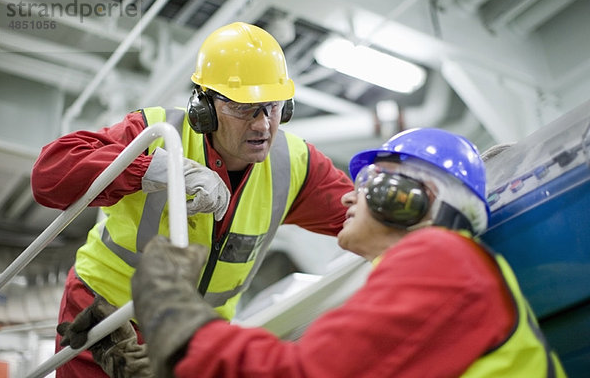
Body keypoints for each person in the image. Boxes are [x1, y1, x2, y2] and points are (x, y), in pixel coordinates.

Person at [31, 21, 353, 377]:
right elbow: (50, 174)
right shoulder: (155, 133)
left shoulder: (295, 165)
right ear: (205, 108)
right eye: (244, 108)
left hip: (190, 336)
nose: (263, 125)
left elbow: (366, 218)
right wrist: (150, 169)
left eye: (273, 107)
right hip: (106, 316)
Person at [131, 127, 567, 378]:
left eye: (369, 184)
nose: (344, 199)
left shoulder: (442, 258)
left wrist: (170, 309)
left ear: (413, 197)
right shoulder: (432, 272)